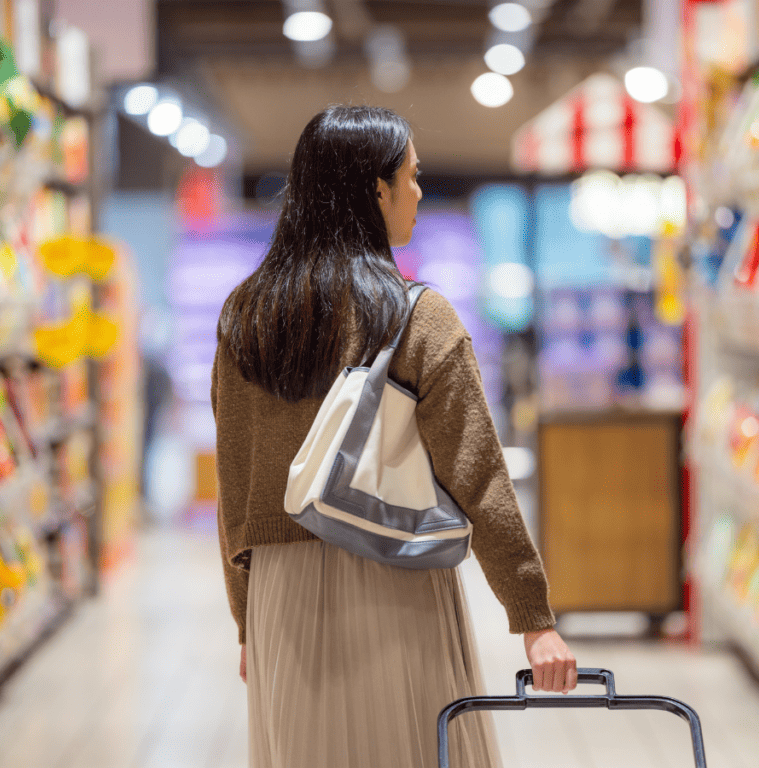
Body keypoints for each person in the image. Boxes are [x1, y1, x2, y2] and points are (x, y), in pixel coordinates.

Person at [211, 105, 577, 768]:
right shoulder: (416, 315)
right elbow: (478, 475)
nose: (417, 192)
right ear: (376, 190)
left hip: (280, 596)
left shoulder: (247, 317)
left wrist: (246, 618)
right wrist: (533, 618)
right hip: (396, 569)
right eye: (411, 176)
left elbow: (235, 486)